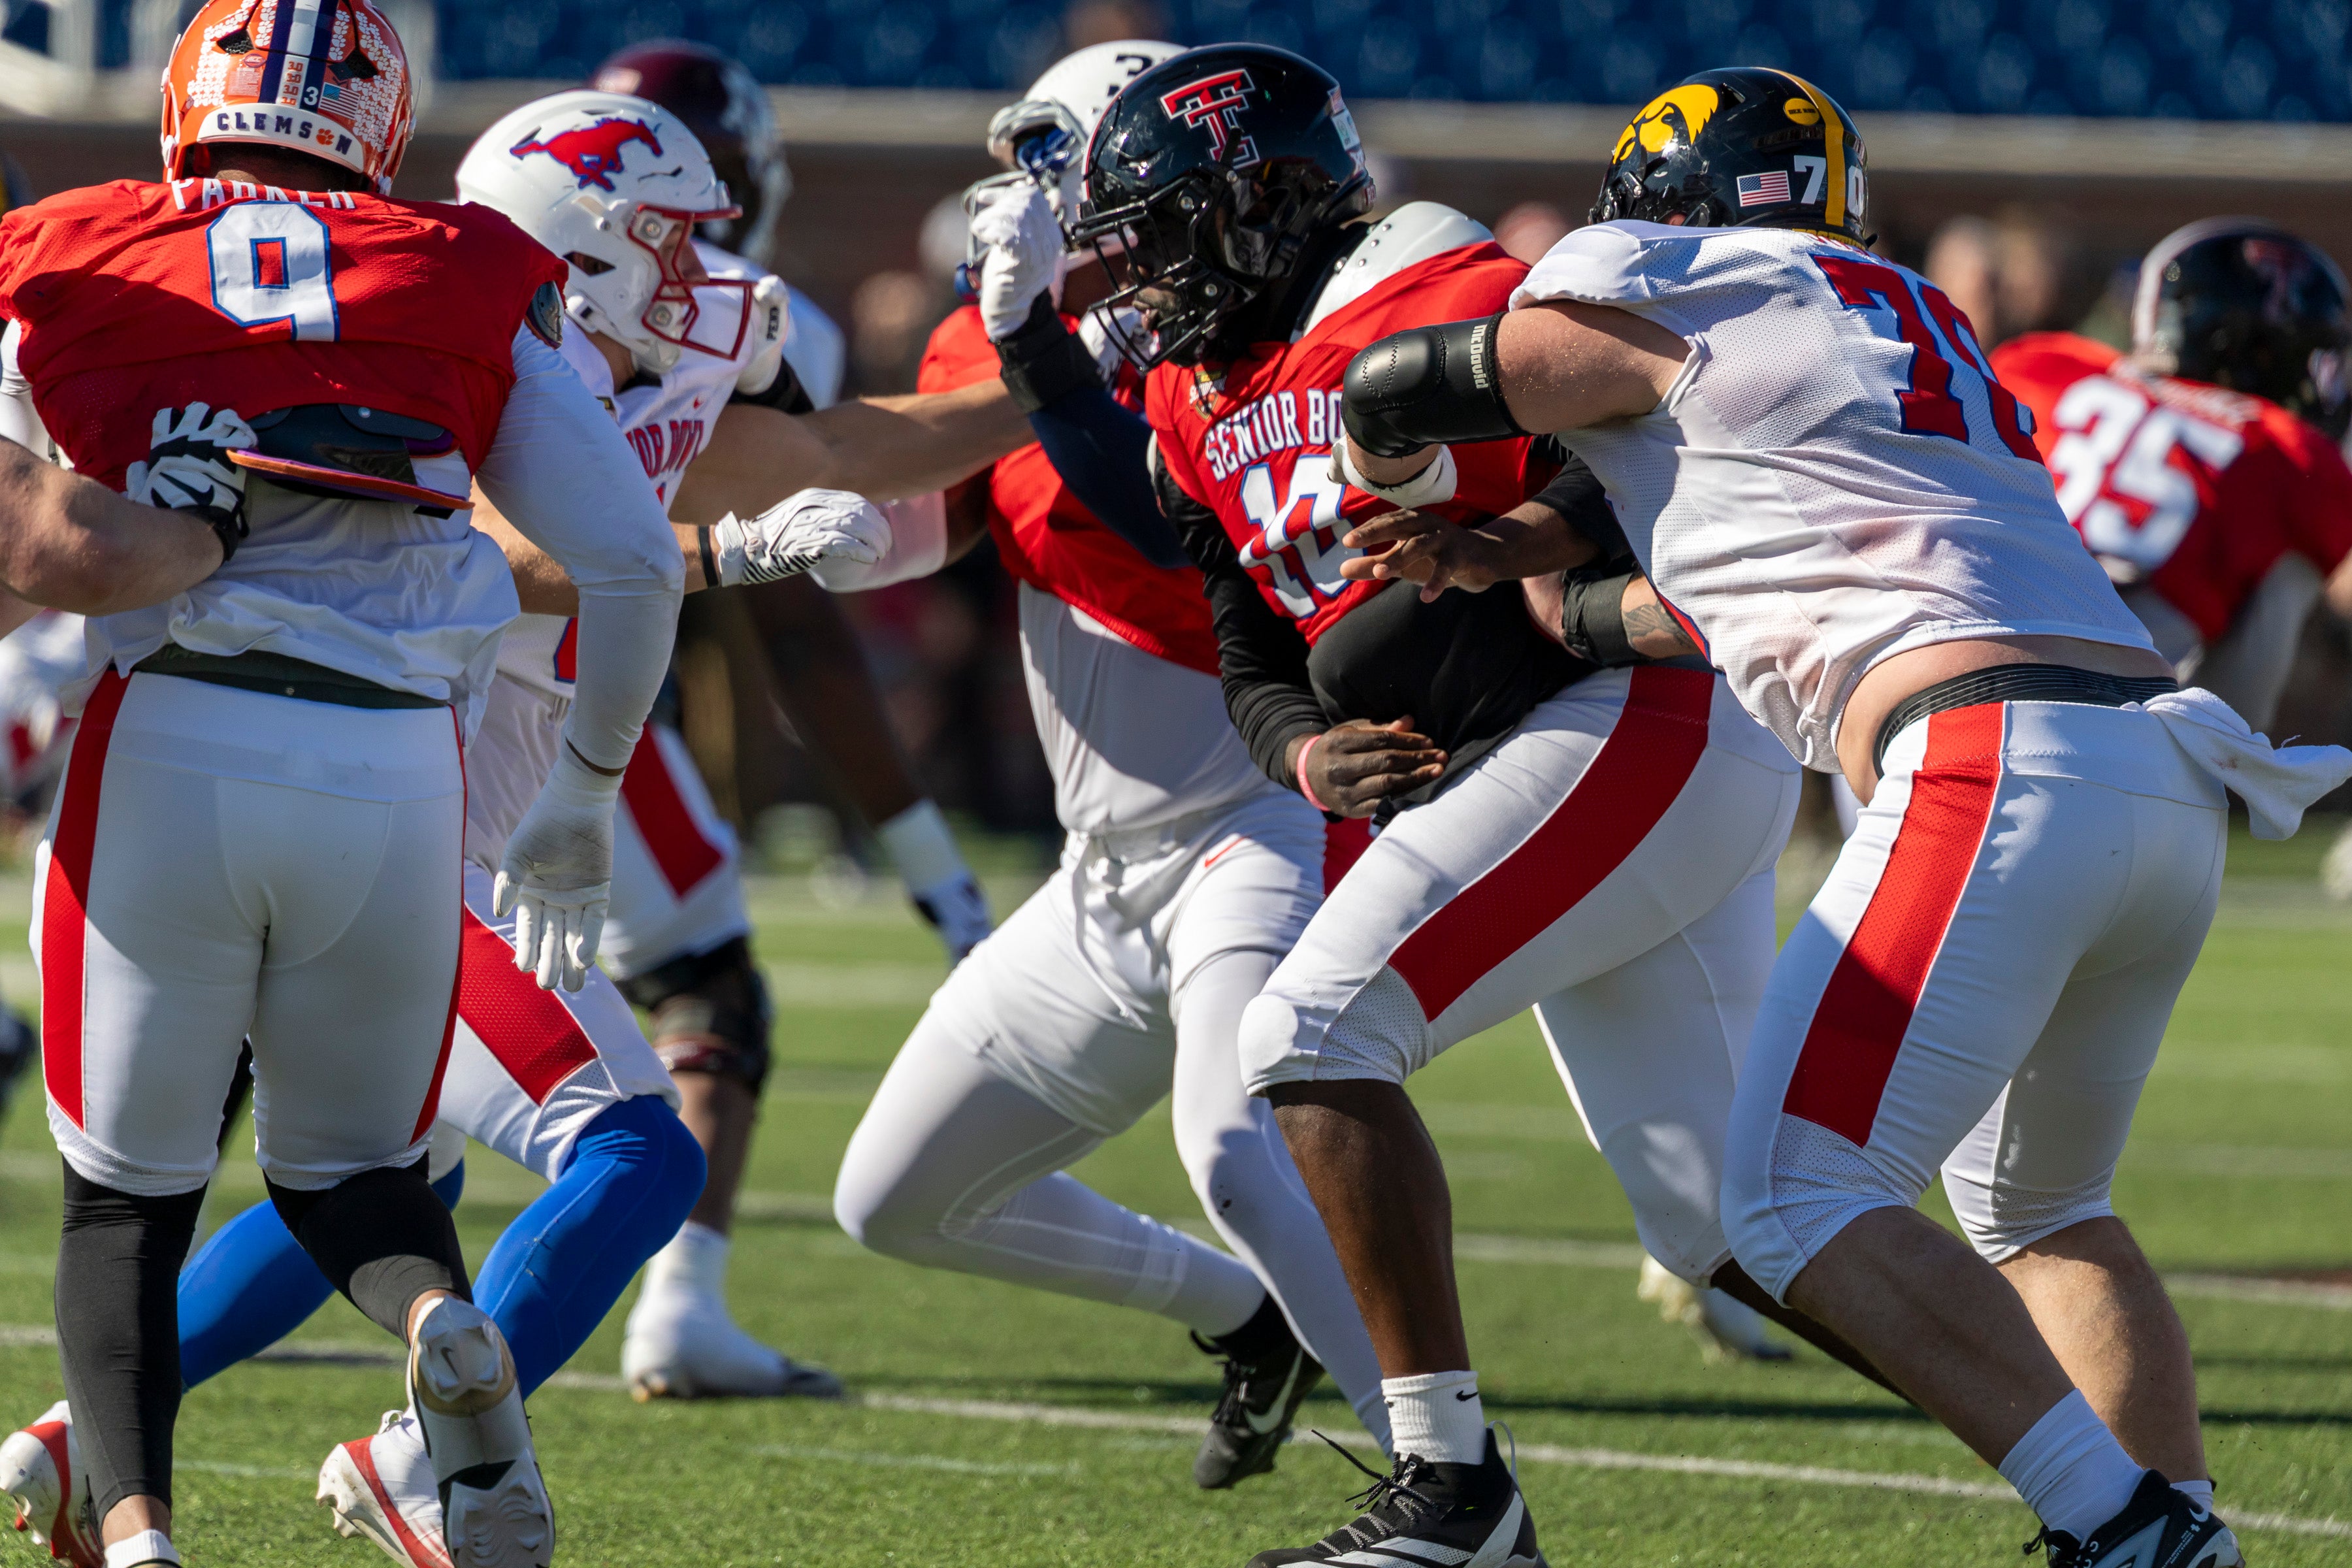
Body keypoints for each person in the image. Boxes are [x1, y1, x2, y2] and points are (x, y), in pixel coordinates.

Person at [1329, 65, 2352, 1568]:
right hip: (2156, 765)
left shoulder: (1659, 269)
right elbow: (1773, 562)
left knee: (1789, 1198)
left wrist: (1398, 481)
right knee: (2042, 1203)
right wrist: (1526, 552)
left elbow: (1399, 386)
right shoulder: (1899, 318)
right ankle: (2173, 1517)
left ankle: (2125, 1522)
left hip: (1988, 766)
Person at [1017, 46, 1899, 1562]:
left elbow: (1635, 462)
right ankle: (2092, 1442)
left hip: (1626, 712)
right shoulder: (1182, 386)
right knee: (1731, 1218)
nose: (1143, 274)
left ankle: (1451, 1489)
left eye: (1164, 230)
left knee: (1307, 1032)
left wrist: (1501, 556)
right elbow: (1249, 634)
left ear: (1268, 205)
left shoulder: (1432, 289)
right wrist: (1304, 748)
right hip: (1551, 750)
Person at [0, 3, 686, 1566]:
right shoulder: (460, 262)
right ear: (379, 120)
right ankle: (446, 1323)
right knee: (357, 1169)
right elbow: (631, 559)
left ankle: (139, 1539)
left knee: (124, 1202)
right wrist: (579, 797)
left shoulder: (64, 247)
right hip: (395, 764)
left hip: (168, 734)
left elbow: (18, 541)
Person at [828, 39, 1396, 1489]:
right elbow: (941, 512)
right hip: (1104, 873)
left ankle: (1441, 1470)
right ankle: (1246, 1319)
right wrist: (775, 543)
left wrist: (1061, 354)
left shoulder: (1260, 348)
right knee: (894, 1198)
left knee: (1233, 1139)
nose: (1022, 197)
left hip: (1260, 825)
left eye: (1050, 165)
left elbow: (1167, 537)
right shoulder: (992, 339)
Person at [553, 52, 1010, 1396]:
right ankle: (646, 1314)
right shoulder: (753, 317)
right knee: (690, 987)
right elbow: (801, 626)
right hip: (542, 686)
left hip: (389, 681)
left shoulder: (481, 280)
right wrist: (937, 877)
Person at [1993, 219, 2352, 734]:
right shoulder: (2288, 456)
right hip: (2091, 739)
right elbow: (2234, 707)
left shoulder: (2042, 365)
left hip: (1925, 701)